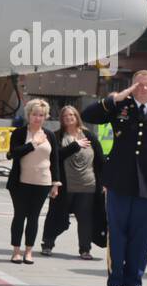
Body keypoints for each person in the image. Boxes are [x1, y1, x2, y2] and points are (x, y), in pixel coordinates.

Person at [81, 70, 147, 286]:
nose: (144, 88)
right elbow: (88, 114)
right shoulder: (119, 105)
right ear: (133, 86)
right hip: (119, 180)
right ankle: (114, 281)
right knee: (117, 233)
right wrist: (115, 97)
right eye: (139, 84)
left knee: (142, 236)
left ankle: (134, 282)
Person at [42, 105, 105, 260]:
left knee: (85, 219)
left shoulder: (89, 136)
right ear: (62, 119)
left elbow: (100, 161)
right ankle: (48, 244)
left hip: (87, 185)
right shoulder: (57, 136)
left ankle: (85, 249)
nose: (69, 118)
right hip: (65, 185)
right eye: (65, 116)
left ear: (77, 117)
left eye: (71, 115)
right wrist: (75, 145)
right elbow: (56, 156)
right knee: (56, 215)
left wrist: (104, 183)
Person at [5, 99, 61, 264]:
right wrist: (34, 143)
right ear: (28, 115)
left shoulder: (50, 135)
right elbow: (14, 153)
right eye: (35, 114)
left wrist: (56, 183)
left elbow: (55, 160)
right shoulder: (20, 133)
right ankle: (16, 250)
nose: (38, 118)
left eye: (41, 115)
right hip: (21, 182)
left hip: (43, 183)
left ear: (46, 117)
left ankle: (29, 251)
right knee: (20, 216)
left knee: (34, 217)